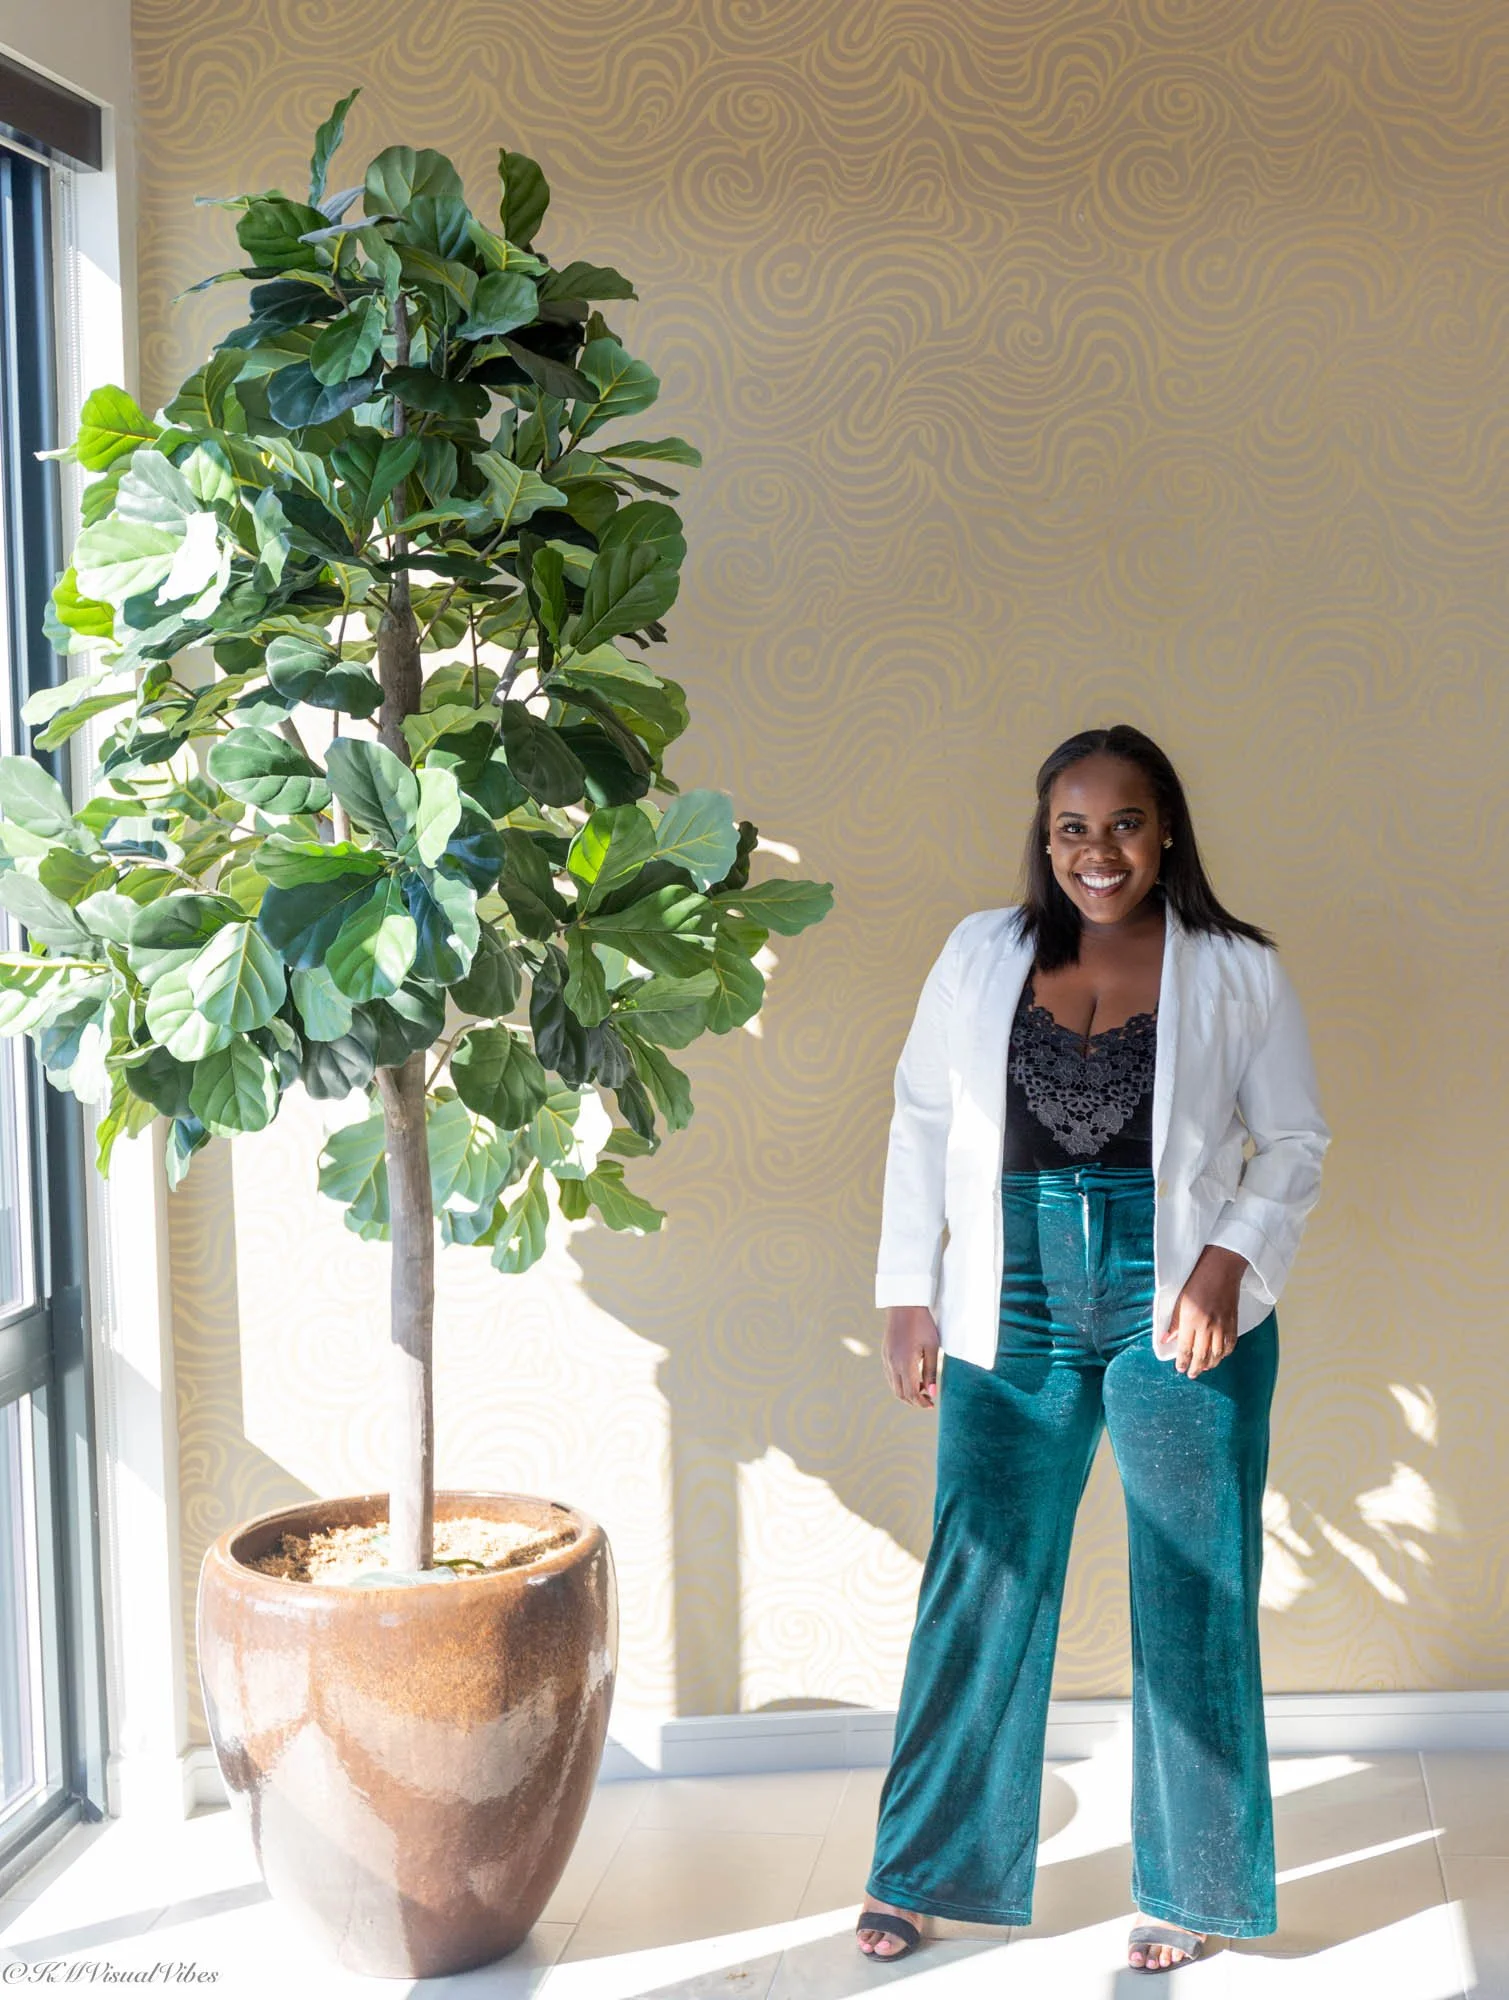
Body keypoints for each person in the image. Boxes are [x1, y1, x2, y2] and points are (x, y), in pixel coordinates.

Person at [856, 724, 1329, 1975]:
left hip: (1177, 1301)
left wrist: (1229, 1263)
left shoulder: (1237, 968)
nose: (1097, 850)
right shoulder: (981, 951)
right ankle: (927, 1869)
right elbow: (917, 1117)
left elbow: (1292, 1144)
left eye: (1122, 822)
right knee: (981, 1576)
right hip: (1006, 1297)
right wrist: (912, 1287)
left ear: (1165, 827)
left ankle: (1198, 1887)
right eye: (1071, 826)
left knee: (1195, 1591)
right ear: (1044, 837)